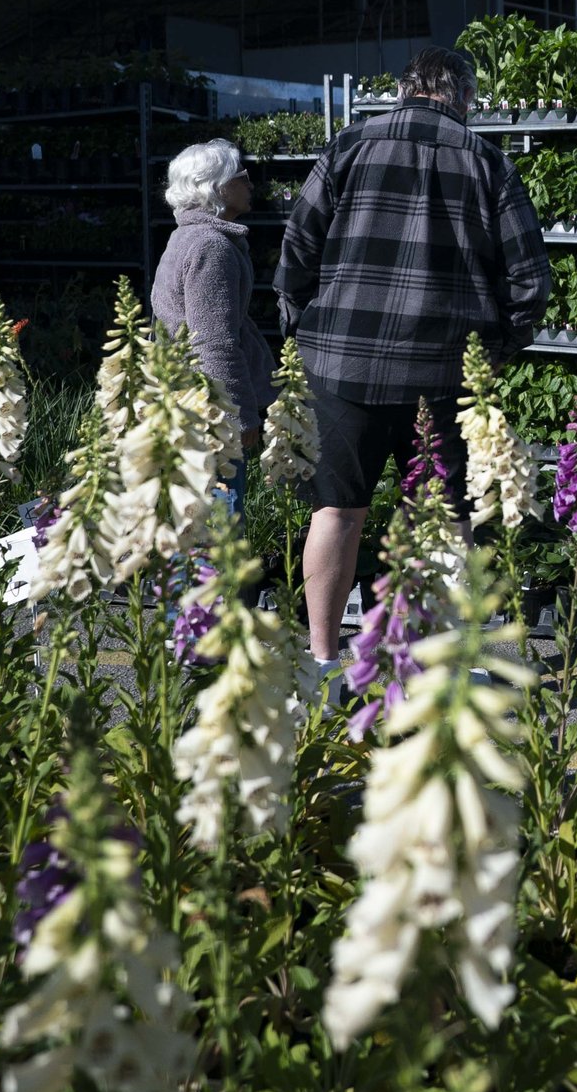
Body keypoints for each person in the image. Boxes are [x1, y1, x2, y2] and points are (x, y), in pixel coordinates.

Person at [275, 45, 550, 665]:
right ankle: (438, 671)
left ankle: (323, 662)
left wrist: (304, 334)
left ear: (404, 89)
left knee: (336, 513)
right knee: (445, 522)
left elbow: (296, 251)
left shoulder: (347, 146)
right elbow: (531, 282)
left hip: (340, 367)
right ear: (465, 96)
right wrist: (492, 353)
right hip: (445, 372)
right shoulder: (489, 162)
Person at [152, 139, 275, 453]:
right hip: (208, 412)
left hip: (185, 397)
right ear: (216, 187)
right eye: (242, 176)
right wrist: (238, 414)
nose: (250, 184)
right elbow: (214, 341)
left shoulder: (185, 236)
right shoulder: (212, 247)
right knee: (223, 484)